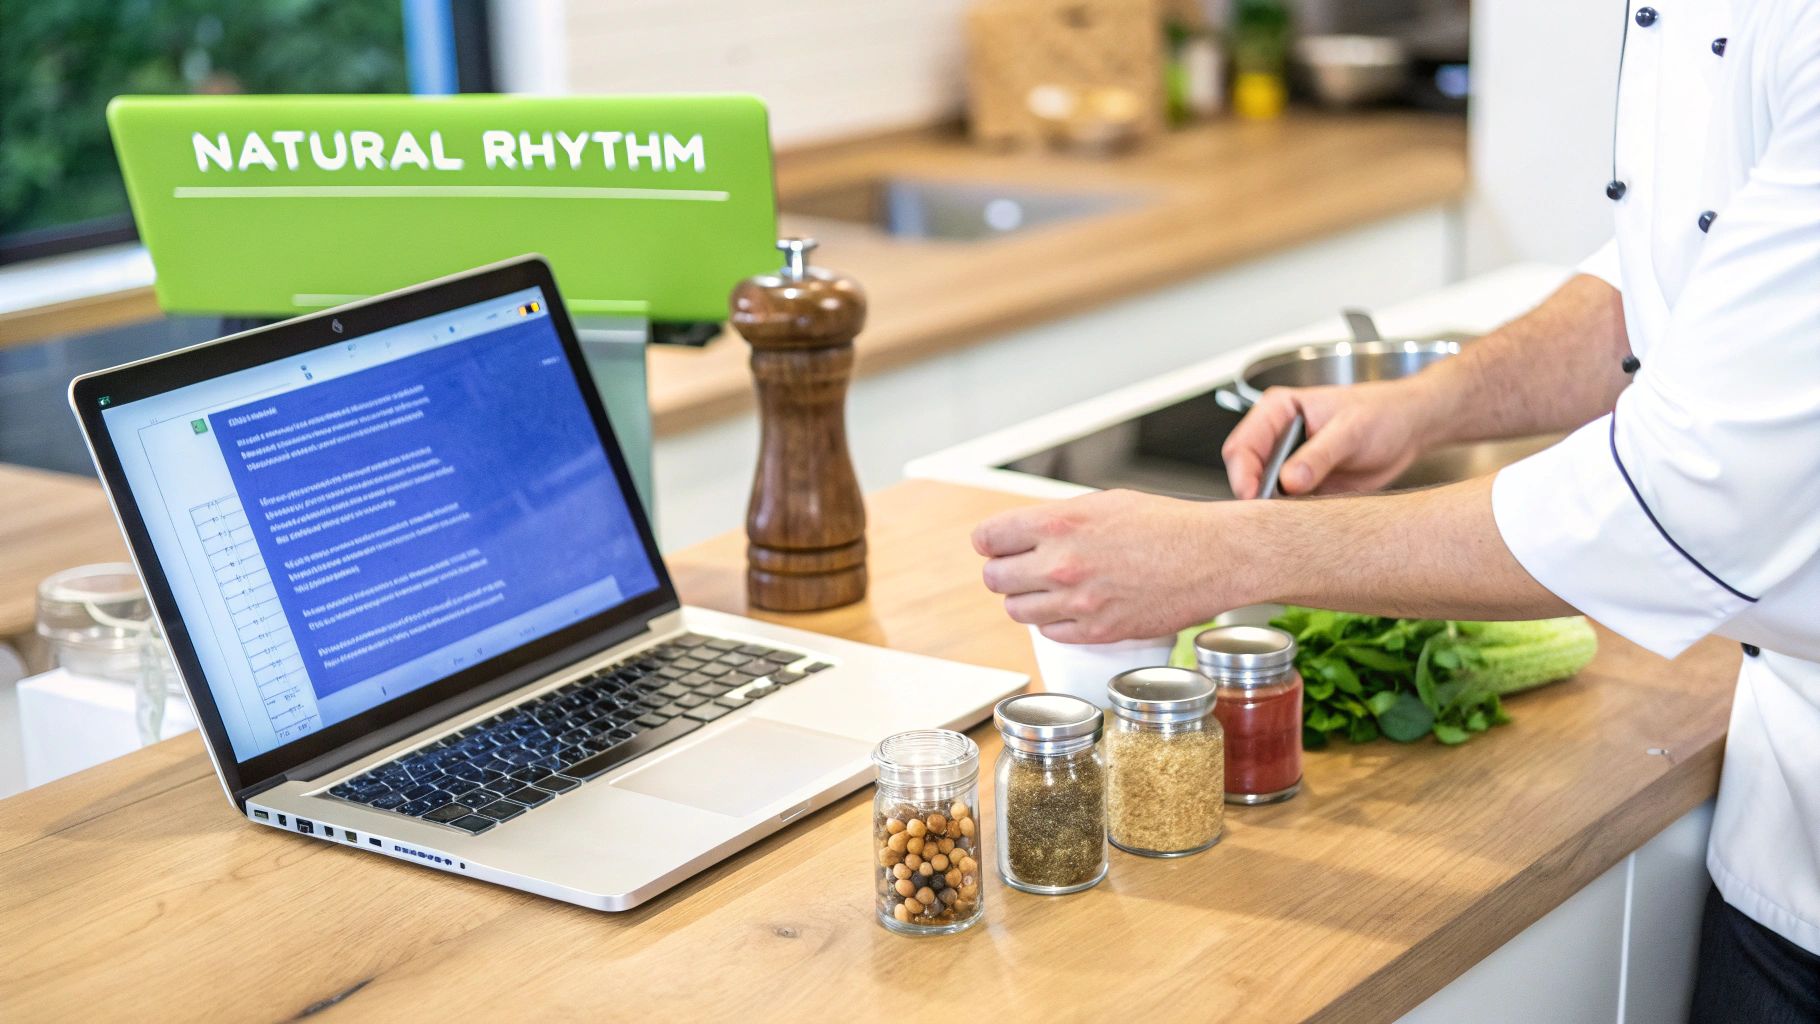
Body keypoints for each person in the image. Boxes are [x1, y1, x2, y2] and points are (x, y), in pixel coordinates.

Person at [971, 1, 1820, 1017]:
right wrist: (1425, 402)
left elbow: (1678, 501)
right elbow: (1673, 286)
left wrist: (1224, 555)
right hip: (1781, 804)